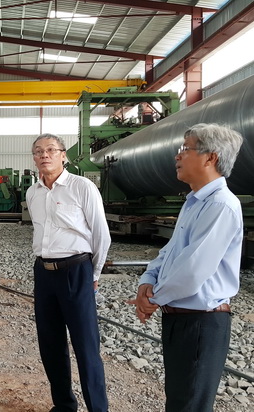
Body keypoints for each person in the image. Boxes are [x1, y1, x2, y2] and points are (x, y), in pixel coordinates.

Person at [128, 123, 244, 412]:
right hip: (181, 319)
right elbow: (169, 253)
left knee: (189, 404)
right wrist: (147, 281)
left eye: (185, 149)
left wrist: (152, 299)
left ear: (210, 157)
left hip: (201, 324)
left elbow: (193, 269)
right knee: (180, 401)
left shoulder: (221, 205)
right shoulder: (193, 202)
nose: (177, 156)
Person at [26, 133, 111, 412]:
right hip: (44, 272)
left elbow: (101, 234)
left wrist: (94, 275)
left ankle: (98, 408)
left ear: (63, 155)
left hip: (76, 270)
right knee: (50, 344)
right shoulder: (32, 193)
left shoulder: (82, 187)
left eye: (51, 150)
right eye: (38, 151)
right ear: (34, 158)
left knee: (86, 346)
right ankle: (64, 405)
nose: (44, 155)